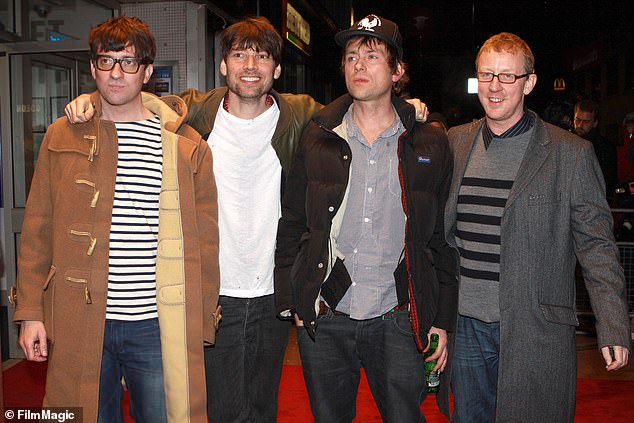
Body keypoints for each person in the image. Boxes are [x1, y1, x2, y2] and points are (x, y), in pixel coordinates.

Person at [65, 16, 429, 422]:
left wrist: (402, 108)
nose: (250, 65)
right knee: (217, 406)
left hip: (272, 291)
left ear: (276, 69)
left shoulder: (301, 117)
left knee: (262, 405)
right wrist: (91, 101)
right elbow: (131, 95)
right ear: (223, 65)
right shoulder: (195, 115)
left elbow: (361, 105)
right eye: (239, 55)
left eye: (262, 56)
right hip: (213, 289)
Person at [13, 16, 219, 423]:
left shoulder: (184, 146)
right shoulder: (62, 135)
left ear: (146, 71)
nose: (116, 73)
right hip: (81, 320)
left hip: (157, 325)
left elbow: (206, 244)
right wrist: (31, 312)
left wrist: (201, 320)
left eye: (129, 62)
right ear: (93, 68)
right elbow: (38, 229)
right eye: (107, 62)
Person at [275, 14, 458, 422]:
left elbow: (441, 239)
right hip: (327, 314)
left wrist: (442, 319)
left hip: (397, 316)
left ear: (397, 71)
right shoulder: (318, 136)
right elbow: (291, 222)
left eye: (372, 55)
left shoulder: (429, 142)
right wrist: (295, 301)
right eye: (351, 56)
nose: (358, 64)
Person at [444, 32, 630, 423]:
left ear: (529, 82)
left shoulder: (571, 154)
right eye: (487, 74)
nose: (495, 87)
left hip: (535, 327)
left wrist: (613, 322)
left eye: (507, 77)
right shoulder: (454, 143)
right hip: (464, 328)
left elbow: (596, 244)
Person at [573, 99, 618, 197]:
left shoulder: (604, 147)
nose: (580, 125)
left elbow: (608, 180)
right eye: (577, 120)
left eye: (586, 122)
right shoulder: (566, 141)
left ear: (595, 123)